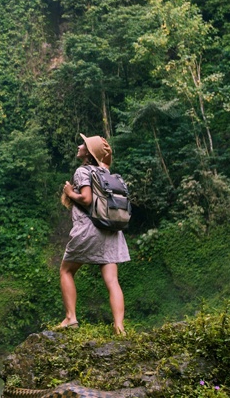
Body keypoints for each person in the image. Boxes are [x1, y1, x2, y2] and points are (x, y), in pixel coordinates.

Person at [57, 133, 130, 335]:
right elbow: (106, 163)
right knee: (112, 280)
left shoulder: (82, 171)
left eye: (83, 144)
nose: (79, 146)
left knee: (66, 270)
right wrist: (106, 152)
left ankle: (71, 317)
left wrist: (70, 193)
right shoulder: (104, 171)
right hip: (111, 229)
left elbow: (86, 199)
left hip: (89, 229)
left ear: (88, 153)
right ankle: (119, 327)